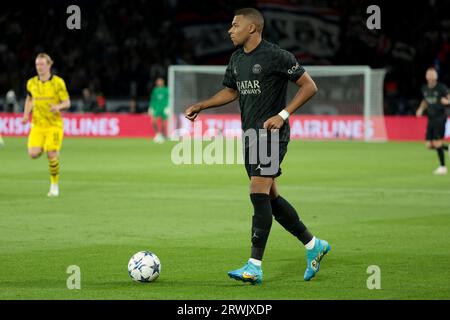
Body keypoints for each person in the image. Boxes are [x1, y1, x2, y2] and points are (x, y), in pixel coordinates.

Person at [184, 8, 330, 284]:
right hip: (250, 136)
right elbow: (231, 90)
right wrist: (202, 105)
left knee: (257, 193)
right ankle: (314, 245)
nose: (230, 29)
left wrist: (282, 115)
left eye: (235, 25)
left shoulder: (276, 55)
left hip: (271, 136)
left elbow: (309, 86)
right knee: (270, 198)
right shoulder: (237, 58)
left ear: (252, 28)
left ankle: (254, 266)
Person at [22, 53, 71, 197]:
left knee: (51, 154)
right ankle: (49, 147)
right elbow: (30, 99)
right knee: (33, 154)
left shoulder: (58, 83)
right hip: (37, 125)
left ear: (49, 65)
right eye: (37, 64)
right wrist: (26, 115)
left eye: (42, 64)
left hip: (53, 125)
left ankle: (54, 185)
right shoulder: (31, 83)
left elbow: (67, 103)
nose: (39, 67)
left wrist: (58, 107)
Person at [416, 67, 450, 175]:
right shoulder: (425, 88)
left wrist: (447, 101)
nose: (430, 77)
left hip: (440, 118)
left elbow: (449, 98)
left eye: (432, 75)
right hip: (430, 118)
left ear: (436, 76)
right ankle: (448, 148)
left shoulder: (441, 88)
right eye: (429, 75)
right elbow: (425, 100)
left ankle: (443, 167)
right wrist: (421, 109)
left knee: (437, 142)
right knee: (429, 145)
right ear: (426, 76)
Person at [149, 77, 169, 143]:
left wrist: (168, 107)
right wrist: (151, 107)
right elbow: (153, 99)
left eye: (160, 81)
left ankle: (163, 135)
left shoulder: (166, 90)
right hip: (156, 108)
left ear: (163, 82)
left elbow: (168, 99)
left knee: (163, 124)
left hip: (164, 108)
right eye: (158, 81)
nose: (159, 83)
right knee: (153, 121)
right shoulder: (155, 90)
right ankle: (158, 134)